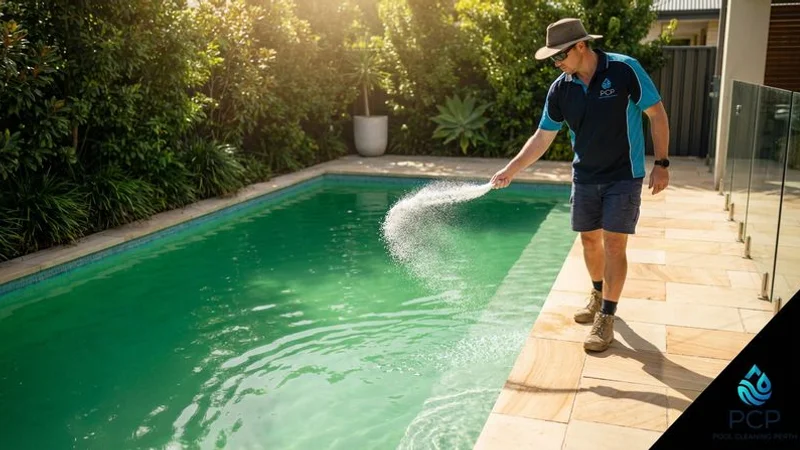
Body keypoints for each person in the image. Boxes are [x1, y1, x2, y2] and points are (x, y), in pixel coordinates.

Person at [490, 18, 670, 352]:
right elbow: (543, 136)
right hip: (585, 175)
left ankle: (607, 317)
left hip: (624, 175)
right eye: (553, 58)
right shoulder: (561, 89)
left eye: (560, 55)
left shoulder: (624, 69)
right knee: (589, 241)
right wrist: (511, 170)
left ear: (581, 46)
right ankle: (598, 292)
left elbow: (656, 114)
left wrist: (661, 164)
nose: (556, 63)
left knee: (613, 244)